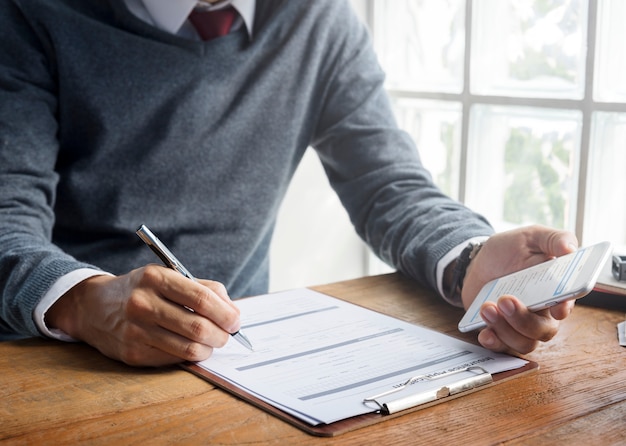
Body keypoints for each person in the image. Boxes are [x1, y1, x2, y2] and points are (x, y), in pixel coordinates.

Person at [0, 0, 578, 366]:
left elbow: (389, 184)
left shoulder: (318, 20)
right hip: (54, 361)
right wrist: (83, 302)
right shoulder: (28, 15)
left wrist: (471, 259)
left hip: (240, 361)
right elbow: (6, 217)